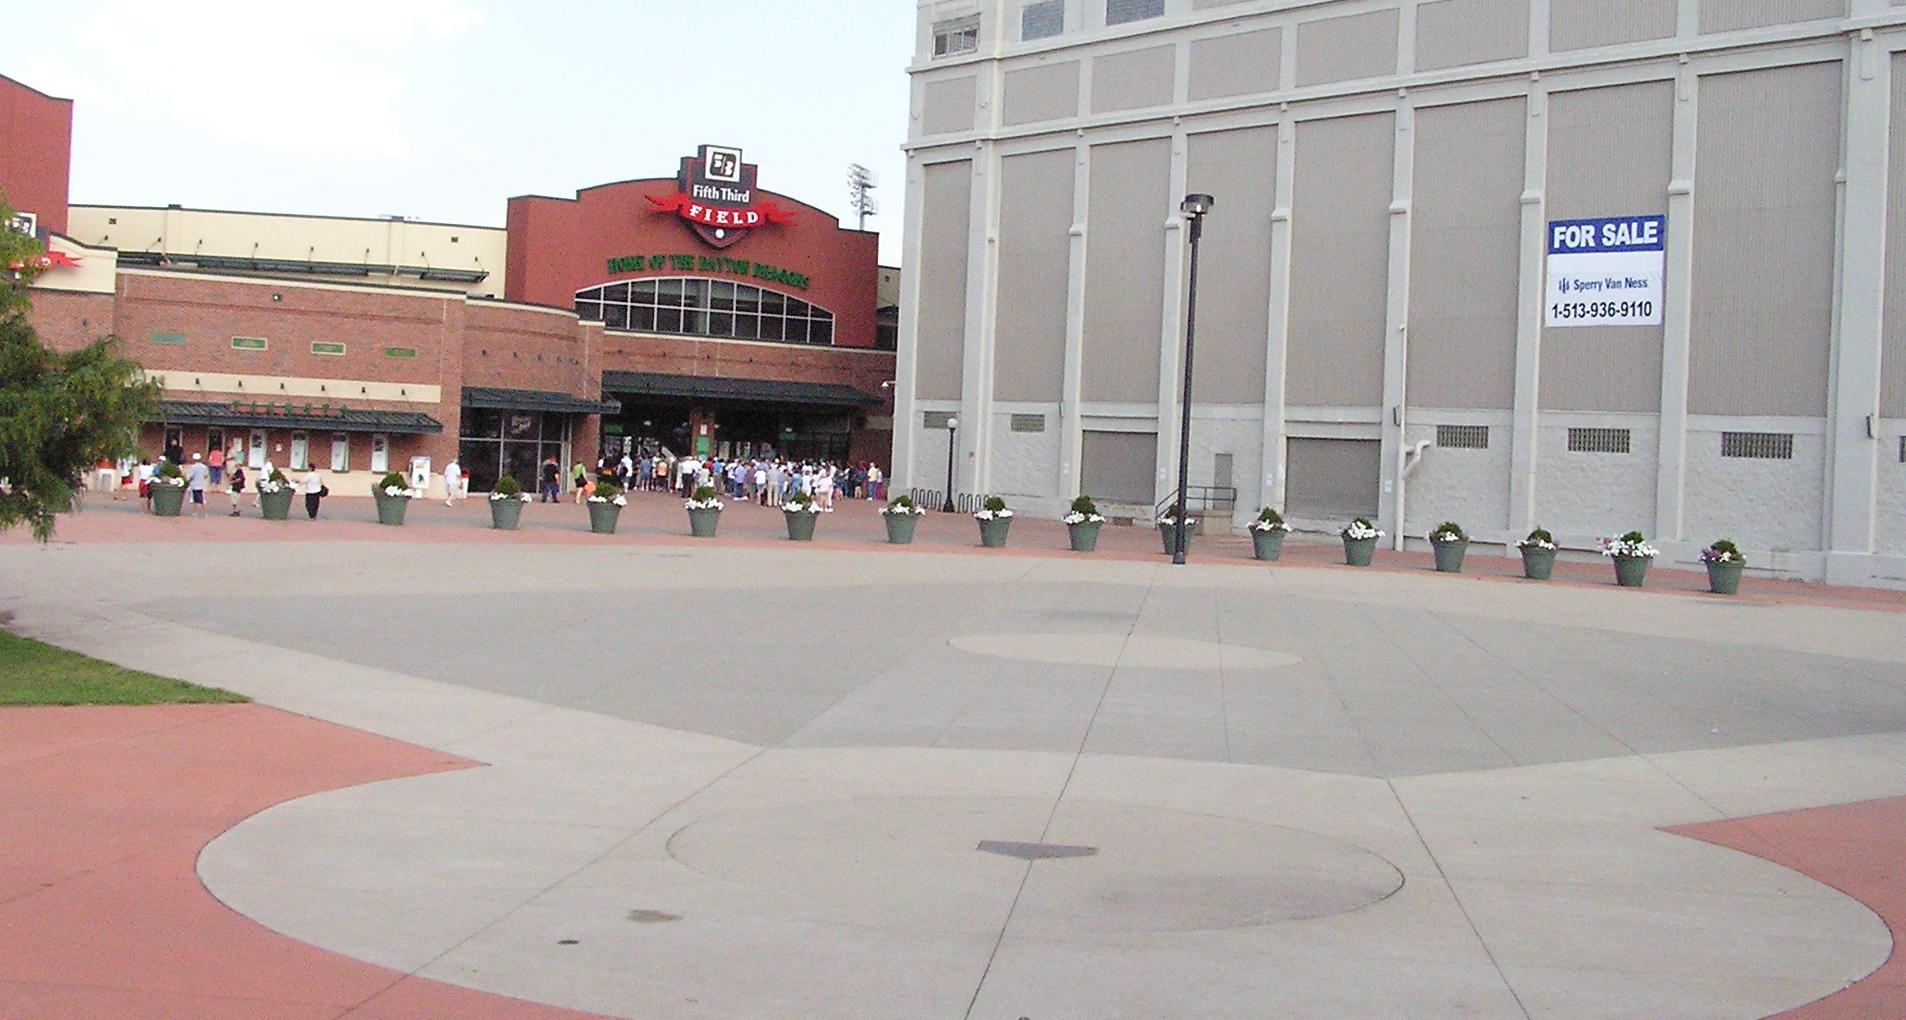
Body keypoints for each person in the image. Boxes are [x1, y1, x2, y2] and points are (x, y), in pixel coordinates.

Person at [184, 453, 211, 517]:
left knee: (194, 500)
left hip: (194, 486)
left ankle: (195, 512)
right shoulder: (204, 467)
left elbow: (190, 476)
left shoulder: (193, 467)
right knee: (202, 500)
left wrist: (187, 481)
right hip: (201, 485)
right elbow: (206, 475)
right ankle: (205, 512)